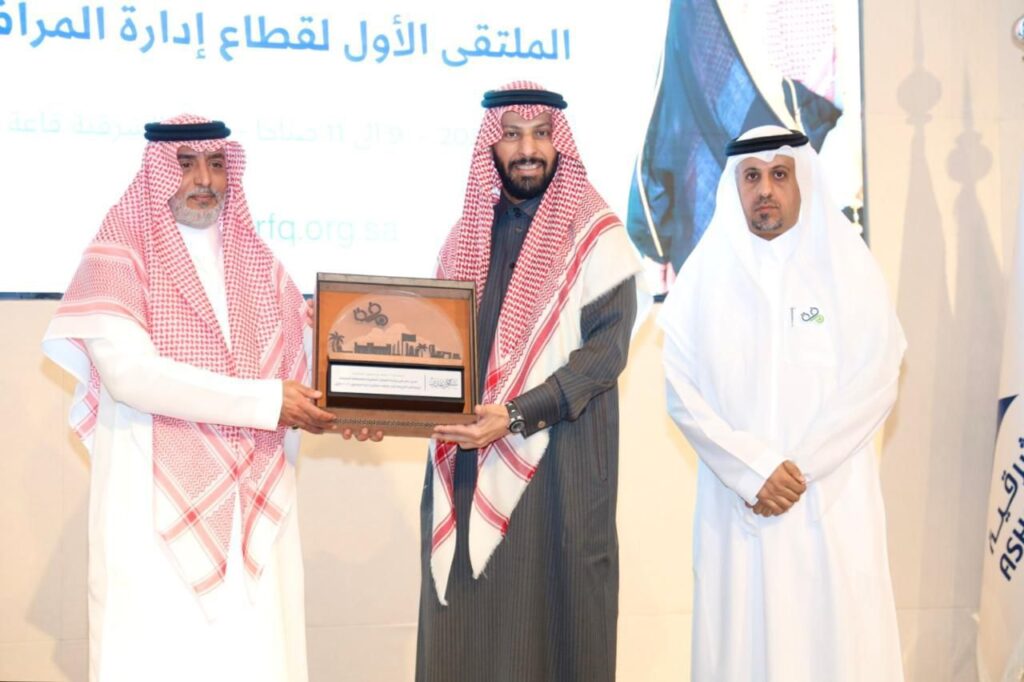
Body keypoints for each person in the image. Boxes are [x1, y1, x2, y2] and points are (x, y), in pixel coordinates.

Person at [41, 115, 341, 682]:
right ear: (158, 172)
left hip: (251, 506)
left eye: (217, 164)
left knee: (254, 654)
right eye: (185, 164)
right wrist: (266, 402)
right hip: (150, 504)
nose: (204, 179)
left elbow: (298, 368)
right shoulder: (117, 257)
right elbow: (132, 376)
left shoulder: (259, 264)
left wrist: (338, 357)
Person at [660, 125, 905, 681]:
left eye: (779, 174)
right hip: (739, 513)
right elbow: (681, 392)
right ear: (735, 186)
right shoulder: (702, 282)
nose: (765, 189)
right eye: (751, 176)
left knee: (837, 651)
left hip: (829, 511)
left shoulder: (848, 270)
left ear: (802, 182)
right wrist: (753, 470)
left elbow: (877, 379)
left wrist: (796, 471)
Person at [416, 82, 642, 682]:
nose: (528, 149)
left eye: (541, 133)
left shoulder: (598, 238)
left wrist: (516, 414)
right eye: (512, 134)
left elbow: (605, 355)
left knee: (557, 630)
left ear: (558, 142)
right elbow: (432, 352)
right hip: (470, 464)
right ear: (491, 146)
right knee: (468, 631)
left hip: (563, 468)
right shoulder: (464, 240)